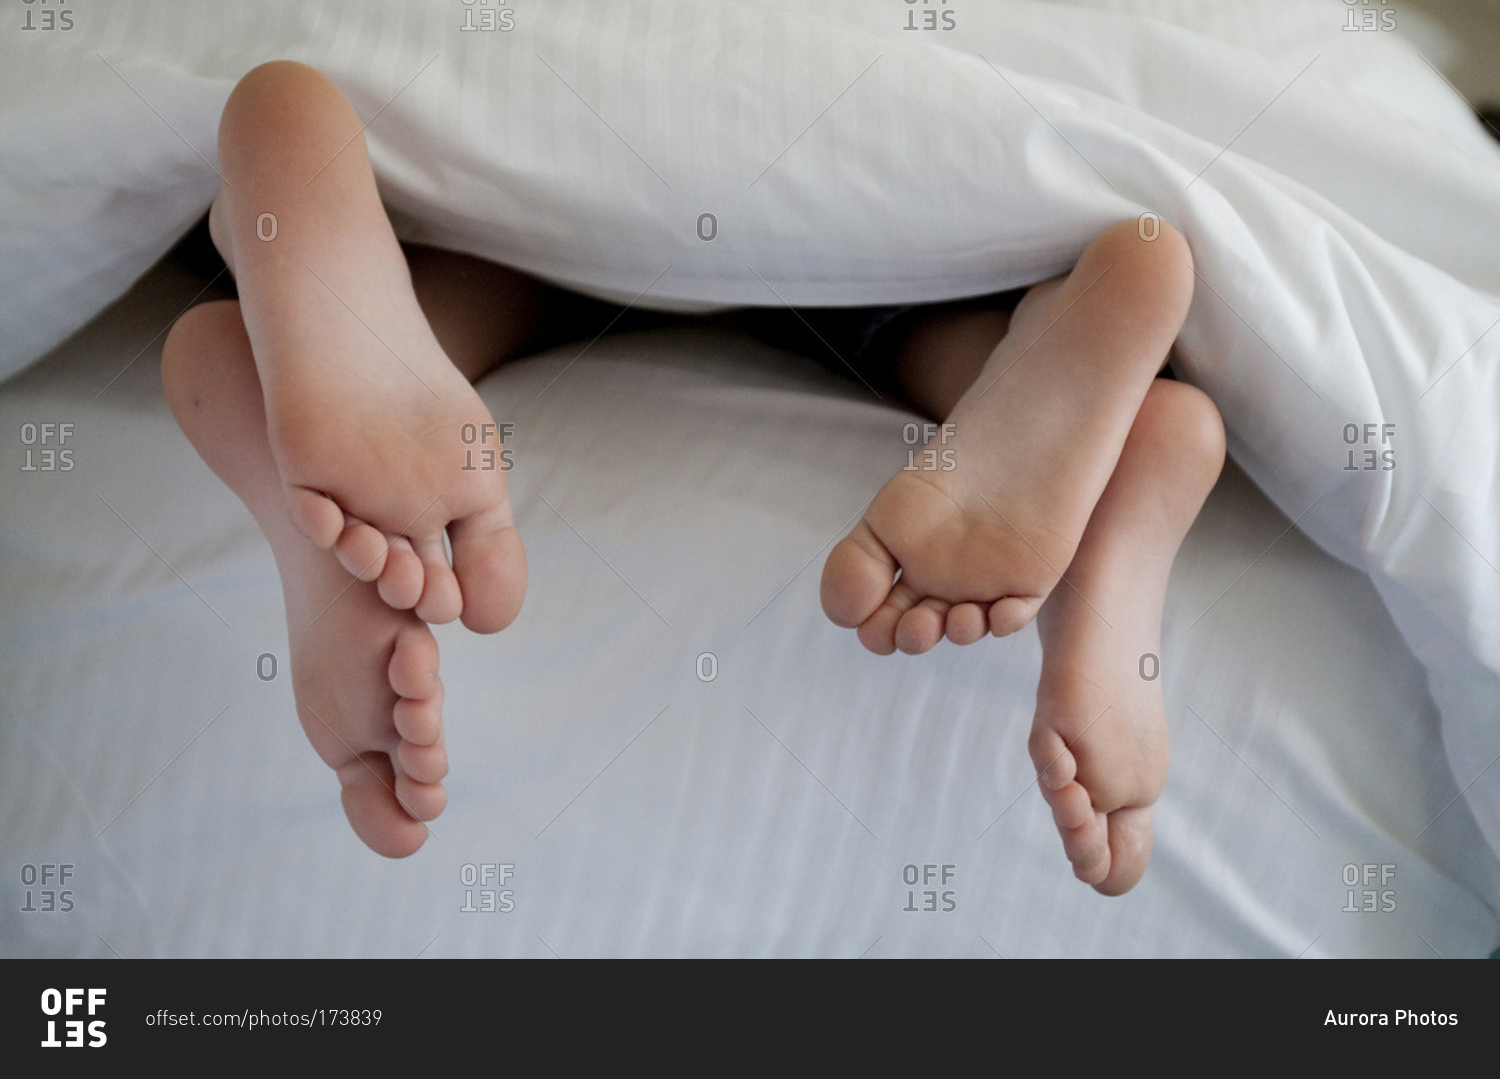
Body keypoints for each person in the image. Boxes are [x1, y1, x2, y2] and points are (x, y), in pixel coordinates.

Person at [161, 60, 1224, 894]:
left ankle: (347, 318)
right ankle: (1054, 388)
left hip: (544, 204)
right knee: (913, 314)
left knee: (518, 260)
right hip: (870, 235)